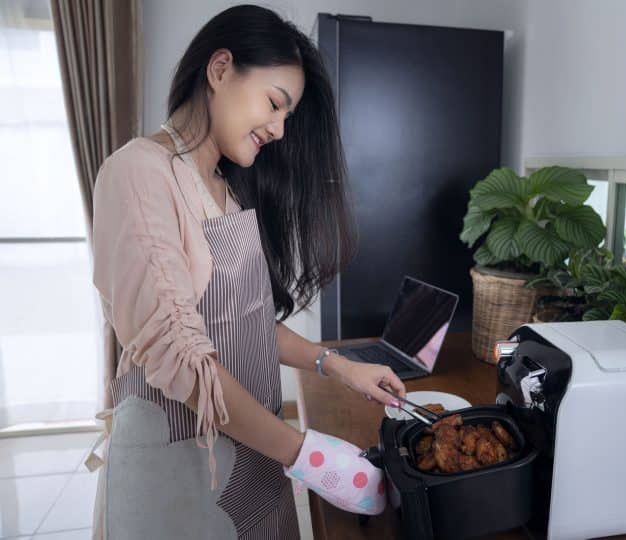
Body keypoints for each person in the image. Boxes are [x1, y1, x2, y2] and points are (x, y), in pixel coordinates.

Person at [90, 5, 406, 539]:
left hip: (251, 457)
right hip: (182, 469)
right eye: (275, 104)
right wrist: (309, 455)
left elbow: (246, 322)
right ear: (219, 70)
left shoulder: (228, 190)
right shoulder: (138, 173)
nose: (280, 130)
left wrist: (338, 364)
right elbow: (179, 354)